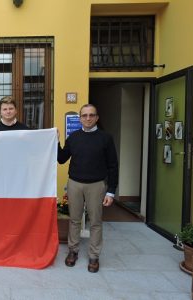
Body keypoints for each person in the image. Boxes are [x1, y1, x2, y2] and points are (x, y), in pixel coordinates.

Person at [57, 103, 118, 273]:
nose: (88, 118)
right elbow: (62, 158)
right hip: (75, 183)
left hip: (97, 185)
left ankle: (94, 255)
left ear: (97, 117)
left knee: (95, 222)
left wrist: (111, 191)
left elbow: (113, 166)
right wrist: (55, 141)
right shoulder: (74, 137)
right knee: (75, 219)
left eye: (91, 115)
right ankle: (73, 251)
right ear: (80, 118)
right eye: (84, 115)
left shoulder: (106, 138)